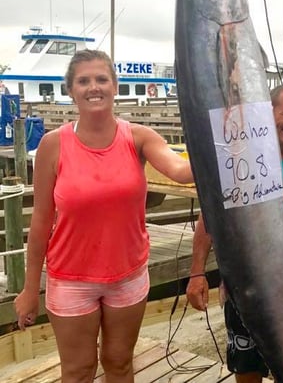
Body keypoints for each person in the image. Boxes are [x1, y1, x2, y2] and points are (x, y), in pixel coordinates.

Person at [14, 49, 193, 383]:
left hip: (127, 276)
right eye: (83, 81)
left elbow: (181, 171)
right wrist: (28, 290)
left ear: (115, 85)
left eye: (101, 79)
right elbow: (39, 222)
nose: (93, 87)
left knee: (120, 363)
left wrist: (228, 144)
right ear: (70, 90)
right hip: (70, 279)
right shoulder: (53, 146)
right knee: (78, 370)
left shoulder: (139, 138)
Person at [186, 85, 283, 383]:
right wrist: (197, 273)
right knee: (247, 371)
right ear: (266, 112)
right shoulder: (236, 162)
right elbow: (209, 220)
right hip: (242, 289)